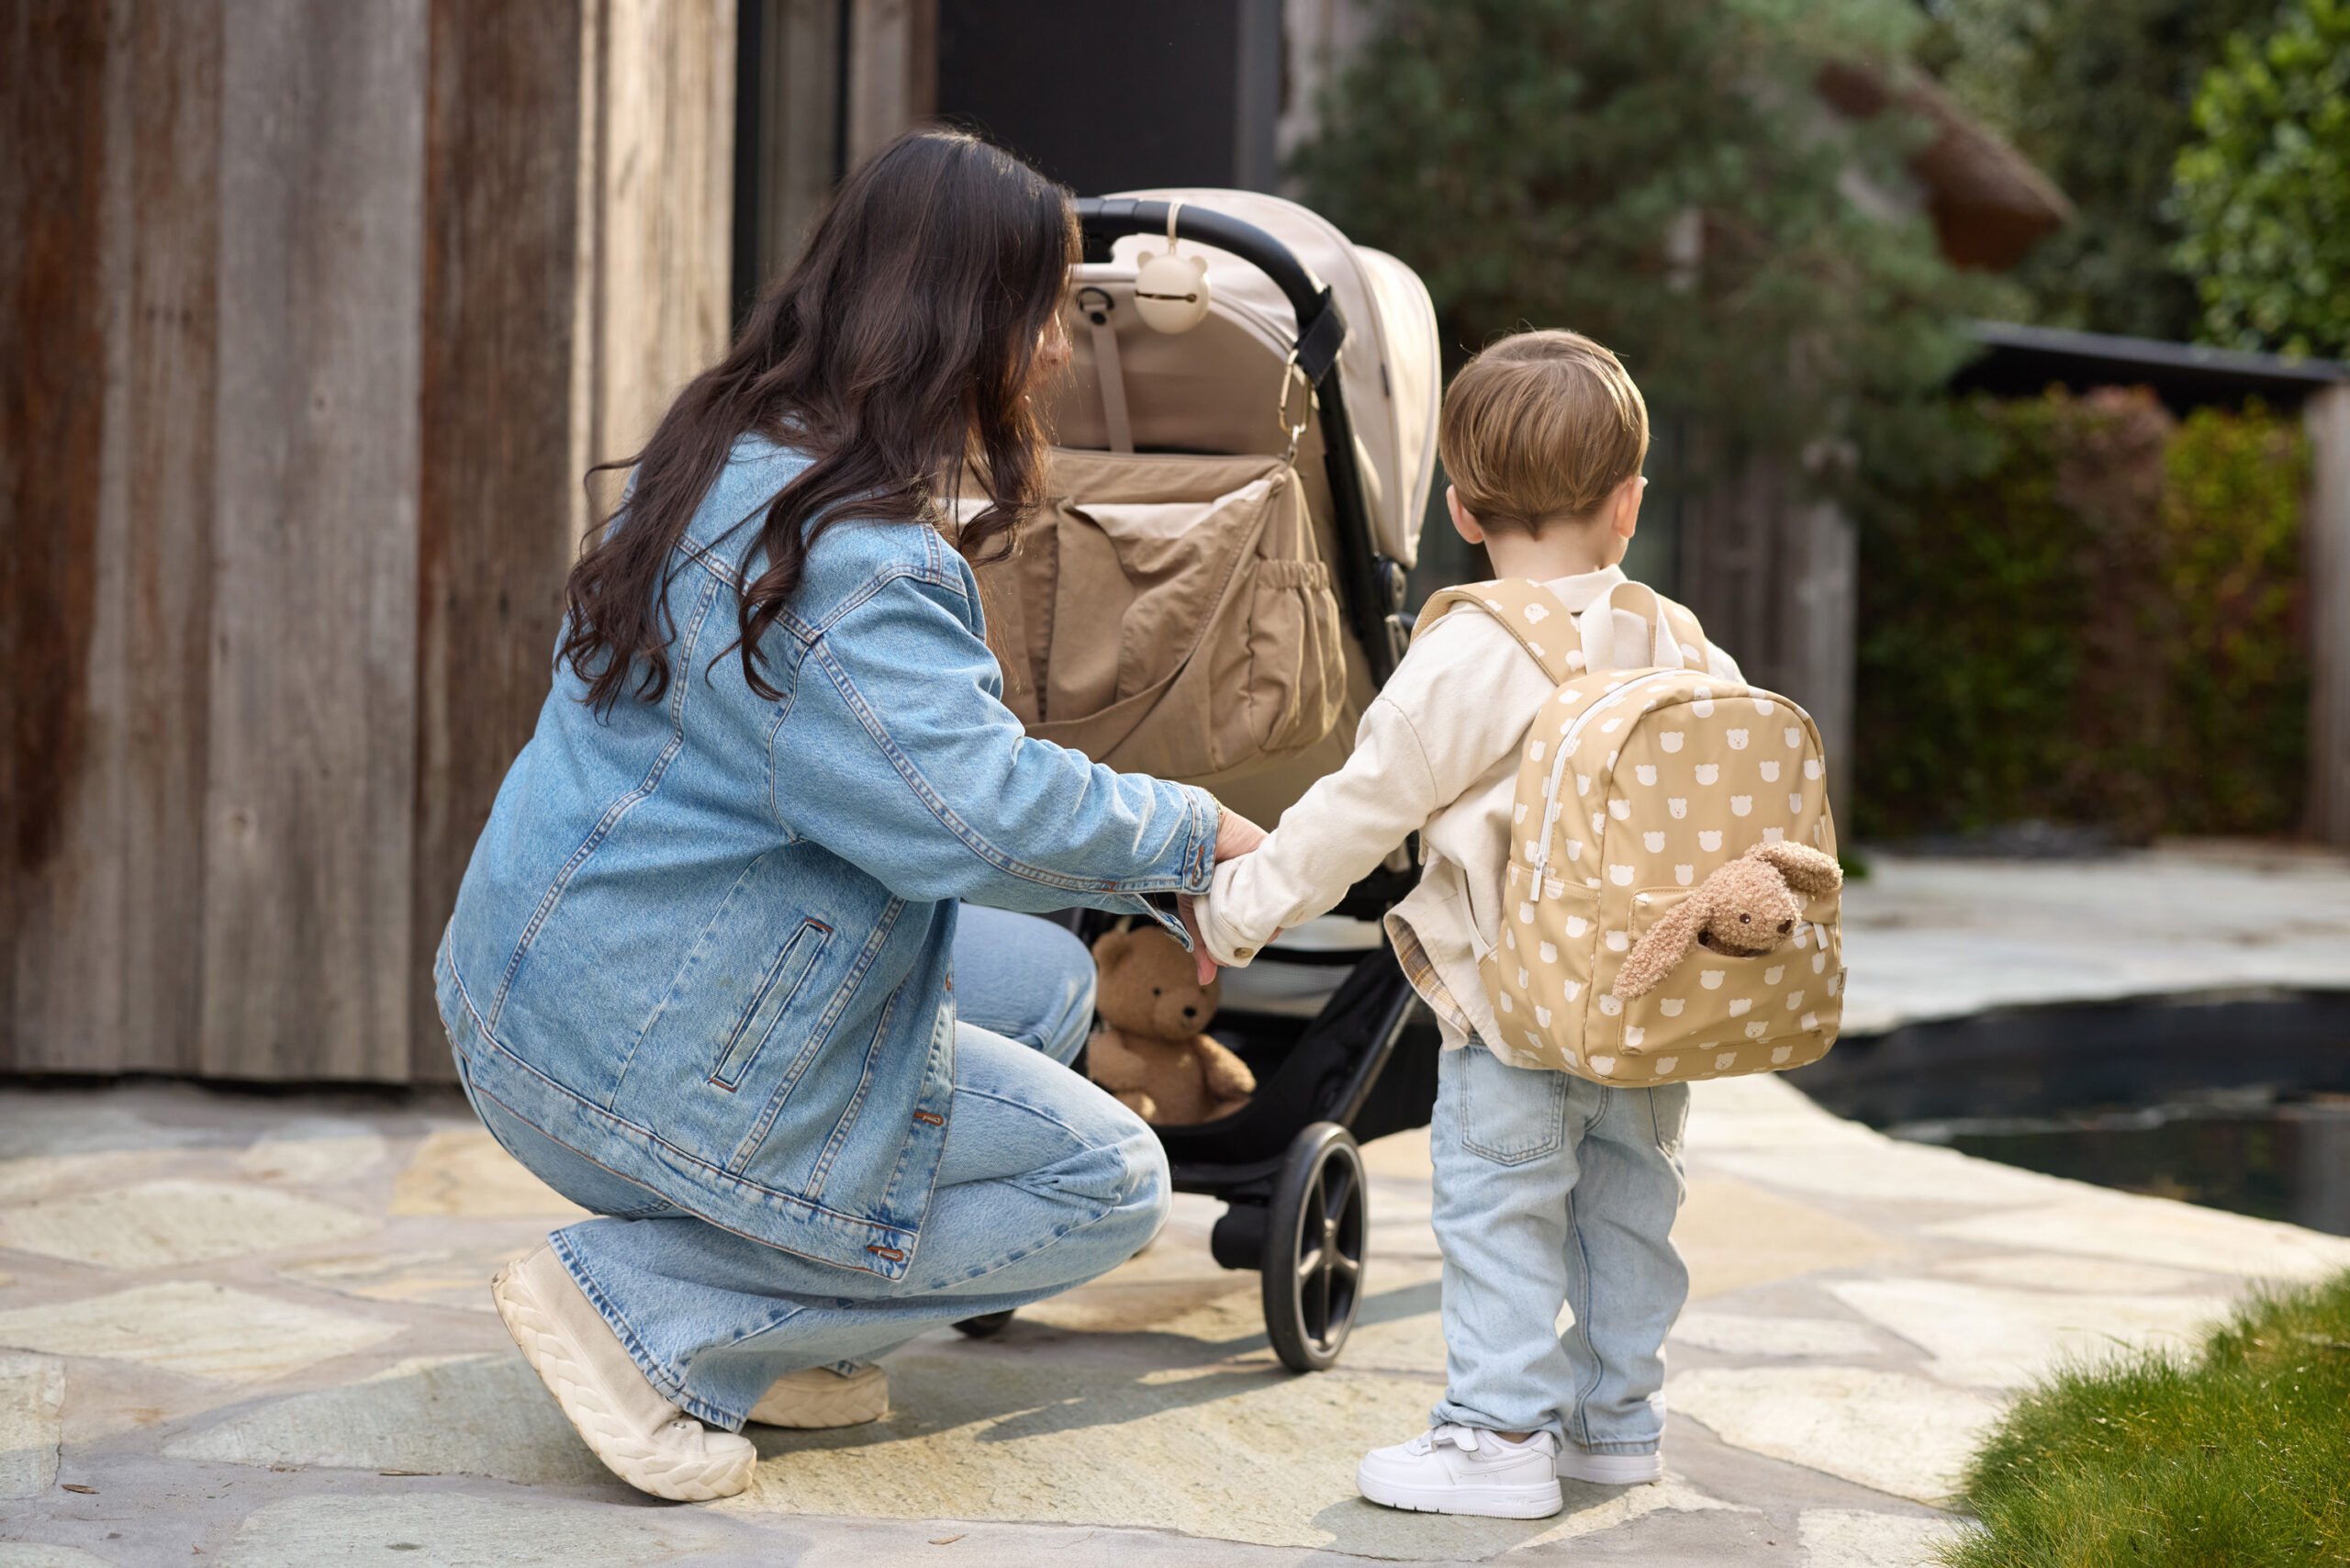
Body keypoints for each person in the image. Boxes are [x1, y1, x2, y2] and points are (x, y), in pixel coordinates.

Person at [435, 130, 1260, 1503]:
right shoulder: (859, 562)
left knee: (1049, 983)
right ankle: (654, 1311)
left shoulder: (727, 446)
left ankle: (793, 1319)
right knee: (1109, 1182)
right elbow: (975, 813)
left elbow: (922, 796)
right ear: (963, 317)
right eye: (1042, 307)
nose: (1055, 347)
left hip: (539, 985)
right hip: (627, 1055)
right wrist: (1189, 837)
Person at [1195, 330, 1742, 1519]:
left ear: (1461, 509)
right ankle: (1614, 1428)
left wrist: (1236, 912)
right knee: (1630, 1220)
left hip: (1510, 1015)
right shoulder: (1685, 643)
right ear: (1629, 505)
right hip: (1645, 1023)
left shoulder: (1465, 655)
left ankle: (1498, 1441)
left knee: (1502, 1220)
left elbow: (1354, 816)